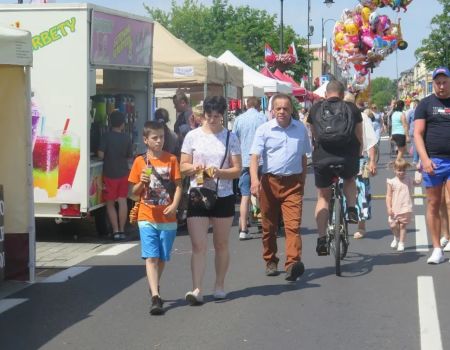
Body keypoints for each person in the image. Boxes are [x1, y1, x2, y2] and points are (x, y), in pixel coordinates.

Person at [180, 96, 241, 304]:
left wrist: (219, 172)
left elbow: (237, 170)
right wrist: (194, 169)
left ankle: (219, 285)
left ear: (222, 116)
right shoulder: (192, 136)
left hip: (222, 194)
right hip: (198, 193)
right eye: (209, 116)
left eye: (217, 116)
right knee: (198, 245)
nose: (213, 120)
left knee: (221, 243)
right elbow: (182, 166)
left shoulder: (230, 137)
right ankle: (197, 288)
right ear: (203, 115)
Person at [250, 93, 311, 281]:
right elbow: (254, 157)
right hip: (269, 183)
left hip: (292, 184)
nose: (282, 112)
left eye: (286, 108)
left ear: (291, 109)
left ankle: (292, 264)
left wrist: (301, 181)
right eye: (279, 108)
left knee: (293, 226)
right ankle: (270, 260)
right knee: (269, 227)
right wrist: (254, 181)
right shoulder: (264, 130)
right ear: (273, 110)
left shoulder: (300, 129)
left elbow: (304, 156)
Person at [128, 121, 183, 315]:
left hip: (168, 218)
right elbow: (133, 194)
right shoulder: (140, 162)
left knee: (161, 257)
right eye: (155, 138)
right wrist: (140, 183)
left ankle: (154, 285)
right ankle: (155, 297)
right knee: (151, 256)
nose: (159, 141)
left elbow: (178, 186)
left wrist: (175, 205)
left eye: (162, 137)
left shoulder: (171, 160)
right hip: (146, 215)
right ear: (146, 140)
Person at [307, 80, 363, 256]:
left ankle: (322, 238)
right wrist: (358, 153)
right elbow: (359, 135)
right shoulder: (352, 109)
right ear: (342, 93)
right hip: (347, 157)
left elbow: (313, 134)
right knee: (349, 179)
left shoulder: (315, 109)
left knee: (323, 197)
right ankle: (352, 209)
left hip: (323, 158)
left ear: (326, 94)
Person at [414, 66, 450, 264]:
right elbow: (418, 133)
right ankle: (437, 248)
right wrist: (425, 159)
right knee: (434, 203)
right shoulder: (425, 104)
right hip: (434, 161)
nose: (441, 86)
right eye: (438, 83)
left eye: (445, 82)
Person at [344, 94, 378, 239]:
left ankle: (361, 226)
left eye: (349, 102)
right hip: (342, 159)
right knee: (341, 191)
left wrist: (371, 161)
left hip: (360, 159)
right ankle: (340, 223)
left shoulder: (362, 117)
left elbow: (370, 141)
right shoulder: (337, 116)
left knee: (362, 192)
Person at [232, 96, 267, 240]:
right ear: (258, 106)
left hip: (245, 160)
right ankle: (264, 224)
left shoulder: (239, 119)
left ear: (246, 105)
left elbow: (234, 139)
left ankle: (243, 229)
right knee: (264, 194)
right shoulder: (263, 118)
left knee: (245, 196)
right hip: (261, 161)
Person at [97, 110, 132, 240]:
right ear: (122, 124)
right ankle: (122, 230)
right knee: (123, 201)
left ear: (110, 123)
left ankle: (116, 231)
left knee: (110, 204)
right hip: (123, 173)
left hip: (109, 173)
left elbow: (100, 154)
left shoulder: (106, 136)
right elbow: (129, 155)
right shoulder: (126, 137)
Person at [386, 158, 419, 252]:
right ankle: (396, 237)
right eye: (399, 170)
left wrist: (419, 177)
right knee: (393, 225)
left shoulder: (408, 179)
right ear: (395, 170)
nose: (401, 172)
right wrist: (389, 207)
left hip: (405, 207)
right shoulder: (391, 182)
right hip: (394, 208)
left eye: (403, 170)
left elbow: (416, 183)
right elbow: (388, 196)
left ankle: (401, 242)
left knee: (403, 226)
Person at [406, 99, 420, 165]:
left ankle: (417, 159)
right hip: (413, 130)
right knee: (415, 145)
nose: (416, 105)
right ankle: (415, 159)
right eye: (415, 104)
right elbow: (407, 122)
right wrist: (407, 132)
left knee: (417, 145)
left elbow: (407, 122)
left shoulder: (421, 111)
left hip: (418, 130)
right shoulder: (411, 112)